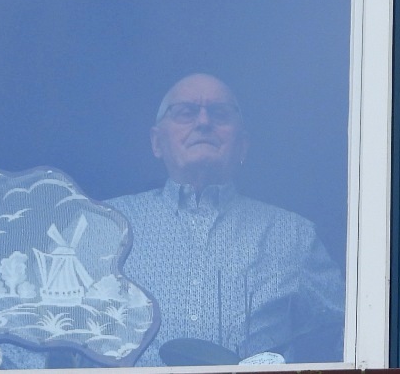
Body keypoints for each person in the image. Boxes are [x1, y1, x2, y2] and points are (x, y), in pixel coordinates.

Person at [104, 73, 345, 366]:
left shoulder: (293, 235)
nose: (203, 122)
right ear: (157, 142)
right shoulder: (106, 223)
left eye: (219, 113)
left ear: (242, 145)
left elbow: (356, 334)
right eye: (185, 112)